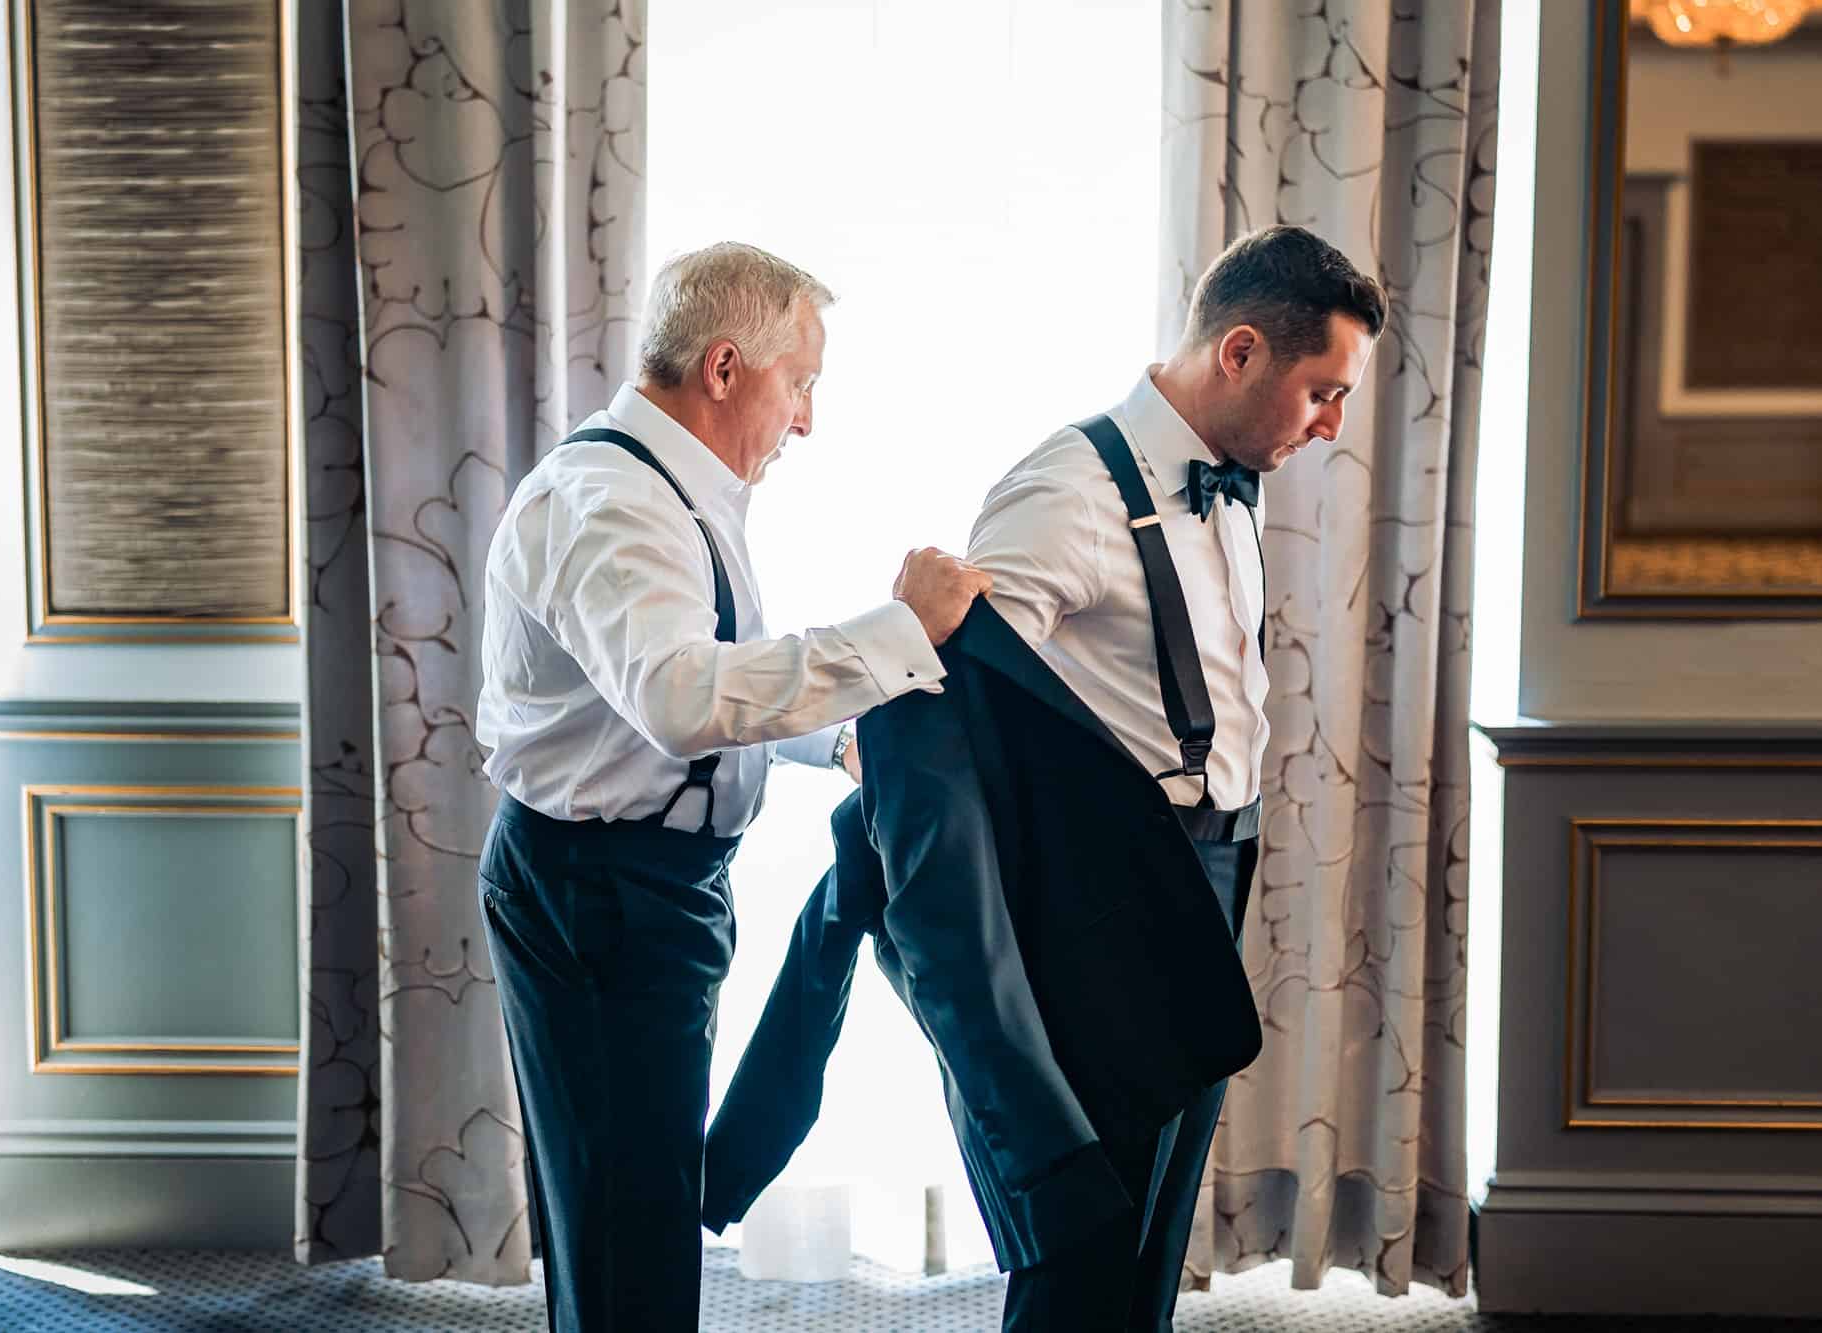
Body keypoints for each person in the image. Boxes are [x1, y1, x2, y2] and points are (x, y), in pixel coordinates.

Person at [472, 241, 990, 1331]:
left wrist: (830, 745)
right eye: (799, 383)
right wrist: (898, 632)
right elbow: (672, 695)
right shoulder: (607, 500)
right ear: (722, 367)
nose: (806, 419)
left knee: (639, 1207)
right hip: (597, 888)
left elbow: (680, 688)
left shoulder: (676, 489)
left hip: (640, 881)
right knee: (625, 1223)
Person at [967, 223, 1385, 1331]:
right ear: (1238, 352)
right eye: (1320, 392)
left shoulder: (1231, 482)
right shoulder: (1067, 488)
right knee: (1089, 1237)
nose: (1330, 425)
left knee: (1153, 1237)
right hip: (1105, 897)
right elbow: (959, 703)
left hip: (1212, 869)